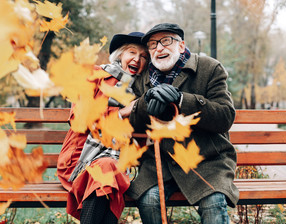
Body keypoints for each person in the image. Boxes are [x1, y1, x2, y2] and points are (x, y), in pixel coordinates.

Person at [125, 23, 239, 224]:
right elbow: (132, 125)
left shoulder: (210, 68)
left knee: (213, 201)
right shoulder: (142, 79)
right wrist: (145, 104)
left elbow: (225, 117)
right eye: (152, 45)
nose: (159, 48)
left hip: (206, 161)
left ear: (181, 45)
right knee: (149, 200)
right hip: (160, 163)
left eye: (166, 41)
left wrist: (182, 100)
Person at [57, 32, 149, 224]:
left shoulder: (142, 91)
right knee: (107, 170)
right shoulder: (95, 75)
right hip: (80, 161)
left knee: (109, 171)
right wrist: (122, 113)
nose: (137, 59)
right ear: (120, 55)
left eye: (144, 57)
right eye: (132, 52)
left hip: (118, 164)